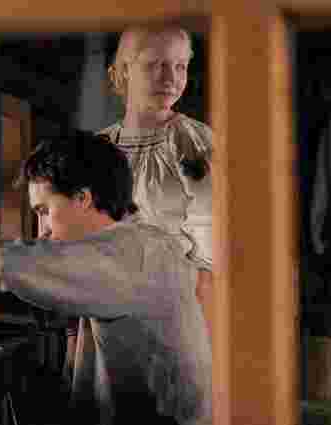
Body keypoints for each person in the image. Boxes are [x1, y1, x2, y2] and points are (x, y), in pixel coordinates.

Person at [0, 132, 212, 425]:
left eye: (44, 211)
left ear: (83, 198)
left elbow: (7, 260)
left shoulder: (131, 255)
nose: (41, 228)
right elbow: (49, 302)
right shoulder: (143, 244)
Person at [98, 25, 213, 320]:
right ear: (124, 71)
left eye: (180, 66)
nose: (171, 78)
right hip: (105, 295)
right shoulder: (98, 147)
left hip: (175, 298)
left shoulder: (192, 141)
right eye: (155, 65)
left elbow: (212, 223)